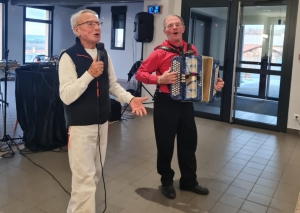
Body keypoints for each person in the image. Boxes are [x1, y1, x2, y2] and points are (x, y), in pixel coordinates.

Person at [58, 9, 148, 213]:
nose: (96, 27)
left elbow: (113, 85)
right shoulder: (68, 57)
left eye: (98, 23)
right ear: (77, 30)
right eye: (89, 23)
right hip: (81, 128)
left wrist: (131, 98)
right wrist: (89, 75)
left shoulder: (103, 53)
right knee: (84, 181)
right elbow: (66, 95)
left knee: (94, 176)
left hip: (102, 125)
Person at [135, 14, 224, 199]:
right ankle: (166, 181)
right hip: (165, 103)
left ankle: (189, 181)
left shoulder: (192, 49)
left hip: (186, 104)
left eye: (177, 24)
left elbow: (198, 74)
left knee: (189, 143)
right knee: (165, 144)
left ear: (183, 28)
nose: (174, 27)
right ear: (165, 31)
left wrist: (213, 83)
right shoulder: (159, 52)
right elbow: (140, 73)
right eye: (170, 25)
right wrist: (159, 78)